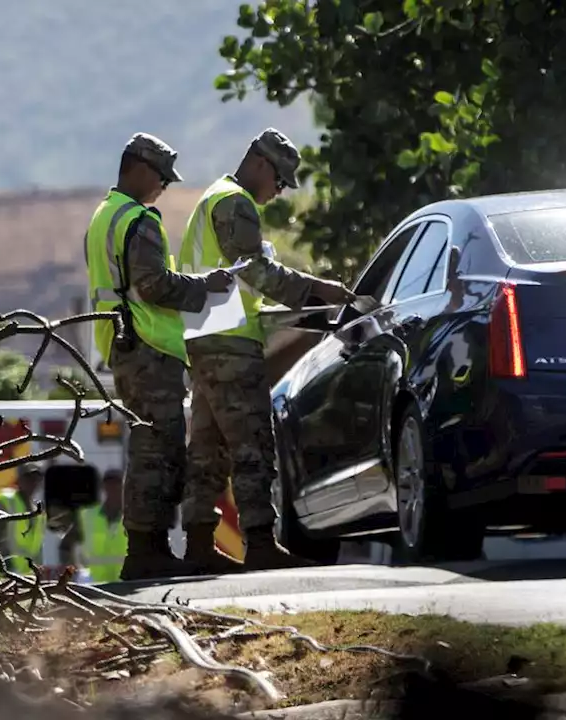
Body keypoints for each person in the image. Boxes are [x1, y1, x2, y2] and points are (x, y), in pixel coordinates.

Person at [176, 128, 356, 572]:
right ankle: (259, 543)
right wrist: (317, 291)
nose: (278, 192)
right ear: (260, 163)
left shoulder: (214, 198)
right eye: (279, 181)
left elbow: (239, 282)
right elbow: (253, 270)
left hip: (206, 336)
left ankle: (199, 544)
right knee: (253, 442)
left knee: (209, 447)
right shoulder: (234, 202)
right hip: (230, 343)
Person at [84, 132, 234, 581]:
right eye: (163, 178)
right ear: (140, 168)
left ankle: (147, 547)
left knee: (151, 445)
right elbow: (155, 286)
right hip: (148, 344)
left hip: (122, 344)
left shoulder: (103, 216)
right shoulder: (138, 219)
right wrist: (206, 287)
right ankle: (147, 549)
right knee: (159, 448)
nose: (164, 187)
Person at [0, 463, 45, 577]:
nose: (33, 483)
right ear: (19, 480)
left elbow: (37, 550)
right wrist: (7, 568)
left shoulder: (38, 512)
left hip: (24, 577)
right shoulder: (6, 502)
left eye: (36, 479)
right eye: (29, 478)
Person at [75, 469, 128, 583]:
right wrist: (76, 571)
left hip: (125, 582)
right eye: (109, 483)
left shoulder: (133, 516)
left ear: (124, 486)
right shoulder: (88, 515)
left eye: (117, 483)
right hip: (96, 583)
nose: (113, 487)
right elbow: (67, 545)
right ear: (103, 486)